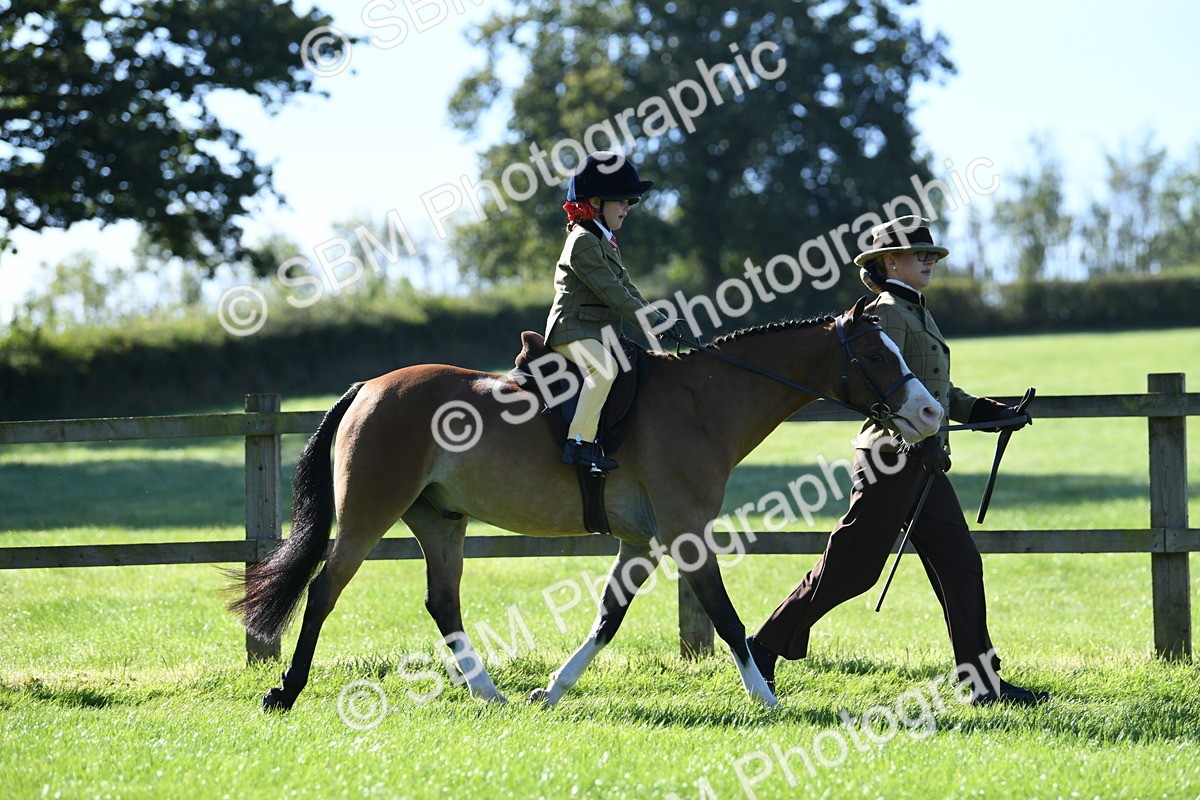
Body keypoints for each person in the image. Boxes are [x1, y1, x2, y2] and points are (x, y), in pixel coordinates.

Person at [746, 215, 1049, 705]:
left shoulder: (915, 310)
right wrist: (916, 439)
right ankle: (761, 649)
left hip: (922, 462)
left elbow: (931, 390)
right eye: (918, 253)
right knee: (851, 570)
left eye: (932, 254)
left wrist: (985, 410)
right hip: (889, 460)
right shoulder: (883, 314)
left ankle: (981, 683)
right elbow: (878, 393)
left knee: (960, 564)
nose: (929, 260)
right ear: (890, 262)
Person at [545, 151, 682, 473]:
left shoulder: (603, 241)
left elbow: (629, 288)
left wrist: (662, 322)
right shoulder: (583, 242)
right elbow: (614, 294)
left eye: (630, 201)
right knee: (604, 368)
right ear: (594, 202)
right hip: (573, 329)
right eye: (622, 201)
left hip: (597, 331)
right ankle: (579, 444)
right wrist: (653, 325)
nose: (628, 207)